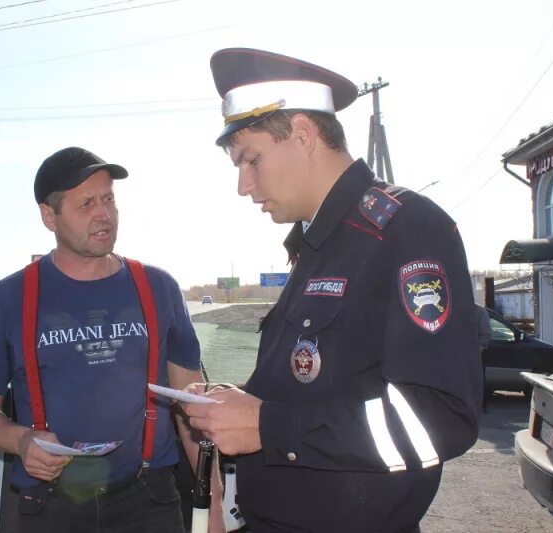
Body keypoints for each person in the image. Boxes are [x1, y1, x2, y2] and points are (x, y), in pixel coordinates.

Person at [183, 48, 482, 532]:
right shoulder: (314, 246)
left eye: (251, 159)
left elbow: (439, 419)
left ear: (303, 135)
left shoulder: (405, 230)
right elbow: (320, 384)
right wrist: (240, 404)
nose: (243, 185)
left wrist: (268, 426)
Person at [0, 146, 222, 532]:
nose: (104, 215)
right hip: (50, 506)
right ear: (50, 216)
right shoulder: (10, 298)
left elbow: (192, 404)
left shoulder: (158, 288)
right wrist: (22, 441)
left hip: (149, 502)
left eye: (109, 199)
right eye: (86, 205)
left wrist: (211, 505)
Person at [476, 304, 492, 411]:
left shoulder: (480, 312)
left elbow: (486, 335)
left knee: (478, 380)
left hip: (476, 355)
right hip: (458, 355)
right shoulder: (456, 310)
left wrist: (478, 349)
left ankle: (481, 404)